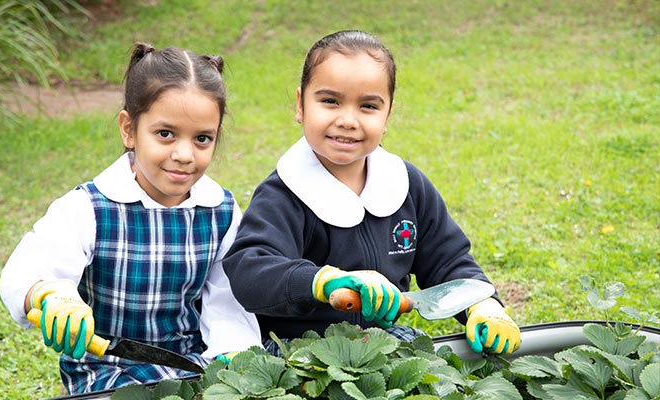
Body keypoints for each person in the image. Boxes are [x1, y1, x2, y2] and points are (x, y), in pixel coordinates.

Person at [222, 30, 520, 356]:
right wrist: (323, 282)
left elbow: (449, 260)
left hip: (384, 339)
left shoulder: (406, 184)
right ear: (300, 105)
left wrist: (482, 303)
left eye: (368, 106)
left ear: (388, 115)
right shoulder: (283, 194)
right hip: (300, 351)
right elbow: (249, 271)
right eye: (330, 101)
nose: (347, 120)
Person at [0, 43, 261, 394]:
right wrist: (50, 295)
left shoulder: (220, 211)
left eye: (202, 139)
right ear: (129, 129)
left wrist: (231, 354)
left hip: (189, 361)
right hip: (108, 364)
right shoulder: (90, 207)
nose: (184, 154)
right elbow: (26, 269)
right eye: (165, 134)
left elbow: (227, 301)